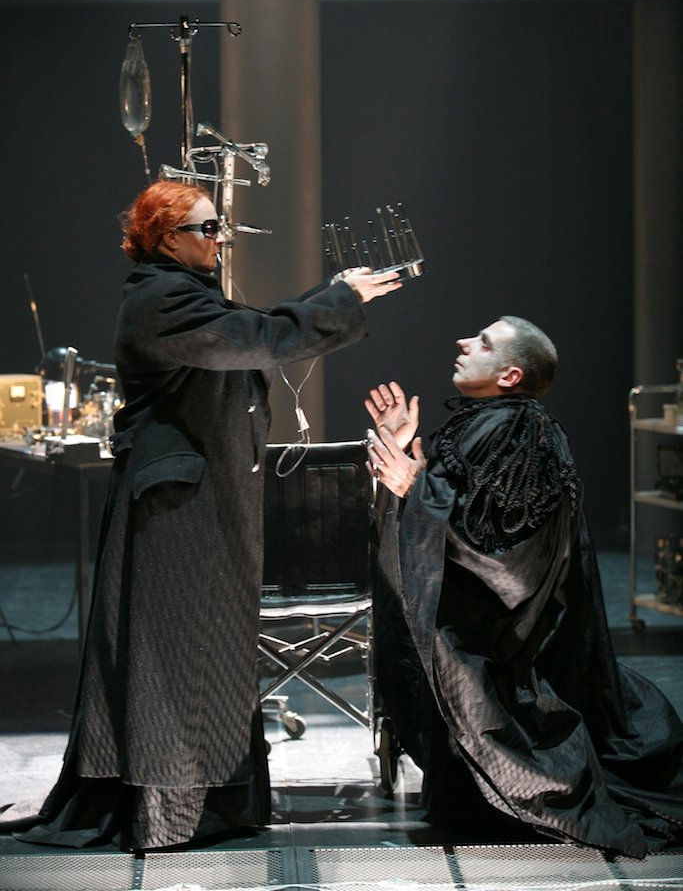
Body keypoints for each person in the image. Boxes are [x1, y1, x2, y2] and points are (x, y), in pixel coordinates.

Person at [2, 179, 402, 852]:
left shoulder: (184, 293)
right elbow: (257, 337)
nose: (220, 239)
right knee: (177, 652)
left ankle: (215, 804)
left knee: (209, 648)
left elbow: (259, 324)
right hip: (177, 511)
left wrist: (332, 291)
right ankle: (171, 809)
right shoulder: (160, 300)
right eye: (207, 229)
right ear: (166, 238)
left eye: (220, 227)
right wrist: (342, 299)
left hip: (201, 502)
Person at [365, 316, 683, 860]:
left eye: (483, 342)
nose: (463, 342)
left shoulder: (522, 431)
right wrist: (405, 466)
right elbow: (453, 505)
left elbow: (506, 549)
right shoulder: (487, 424)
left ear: (510, 375)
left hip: (501, 643)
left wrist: (417, 487)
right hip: (469, 618)